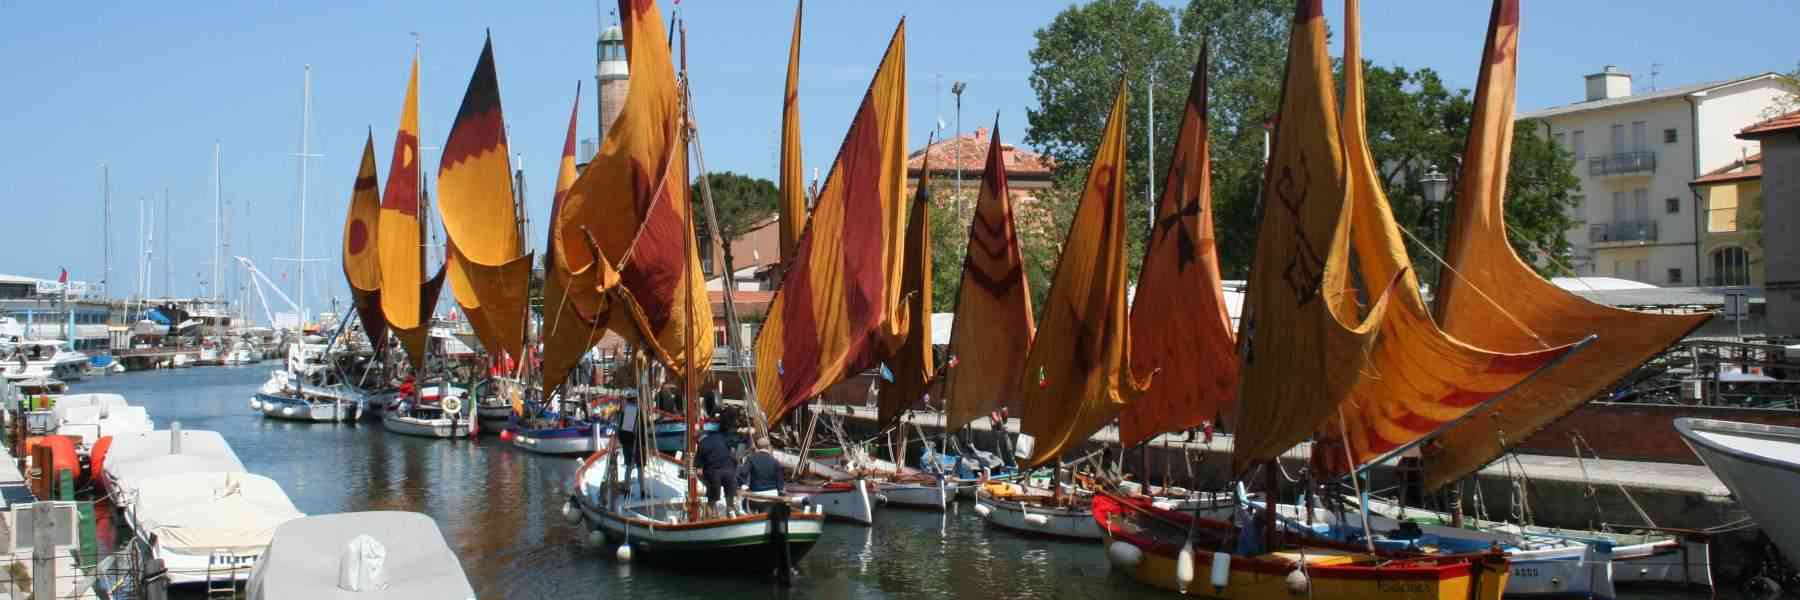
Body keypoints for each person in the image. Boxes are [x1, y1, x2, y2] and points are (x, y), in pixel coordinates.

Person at [697, 412, 738, 509]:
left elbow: (698, 471)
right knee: (730, 503)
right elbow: (734, 457)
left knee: (711, 502)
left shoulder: (702, 444)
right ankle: (731, 517)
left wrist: (705, 482)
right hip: (729, 473)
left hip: (713, 474)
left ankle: (709, 519)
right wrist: (733, 469)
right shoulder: (723, 438)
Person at [617, 392, 641, 469]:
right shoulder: (633, 411)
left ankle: (627, 478)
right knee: (636, 465)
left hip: (626, 442)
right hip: (633, 443)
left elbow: (621, 430)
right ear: (635, 400)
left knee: (628, 463)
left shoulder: (626, 411)